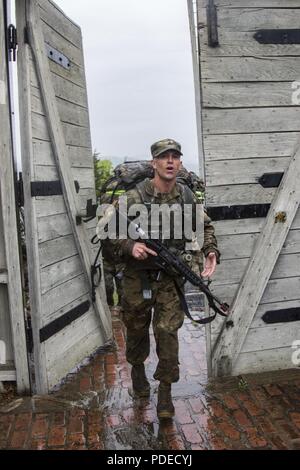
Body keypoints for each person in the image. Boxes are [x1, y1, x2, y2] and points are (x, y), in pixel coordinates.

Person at [103, 138, 220, 419]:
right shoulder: (133, 198)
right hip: (137, 277)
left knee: (168, 332)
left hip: (170, 275)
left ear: (180, 163)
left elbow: (204, 226)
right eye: (164, 157)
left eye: (175, 157)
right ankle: (138, 371)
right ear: (153, 163)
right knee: (136, 329)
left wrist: (211, 250)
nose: (170, 161)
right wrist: (131, 246)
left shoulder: (186, 197)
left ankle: (165, 391)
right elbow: (108, 233)